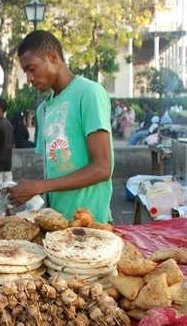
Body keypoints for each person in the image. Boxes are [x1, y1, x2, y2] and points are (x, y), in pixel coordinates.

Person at [7, 30, 113, 222]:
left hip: (90, 224)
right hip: (57, 223)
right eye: (25, 72)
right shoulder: (43, 109)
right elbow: (57, 171)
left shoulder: (89, 93)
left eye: (32, 68)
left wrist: (39, 187)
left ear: (53, 57)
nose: (29, 78)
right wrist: (11, 193)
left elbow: (102, 168)